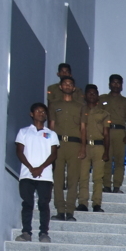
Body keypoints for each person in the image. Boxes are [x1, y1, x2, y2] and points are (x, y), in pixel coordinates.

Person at [15, 102, 58, 243]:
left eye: (44, 112)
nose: (41, 113)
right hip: (27, 174)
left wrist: (40, 168)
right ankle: (26, 232)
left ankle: (44, 233)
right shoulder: (24, 132)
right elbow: (19, 151)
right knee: (27, 203)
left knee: (44, 204)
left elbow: (54, 154)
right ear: (32, 114)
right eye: (38, 111)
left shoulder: (51, 134)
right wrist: (31, 168)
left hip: (45, 176)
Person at [48, 76, 83, 221]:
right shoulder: (54, 105)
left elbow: (83, 128)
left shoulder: (80, 106)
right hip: (58, 144)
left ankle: (70, 211)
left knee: (73, 179)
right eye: (65, 84)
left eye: (70, 84)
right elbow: (51, 126)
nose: (67, 86)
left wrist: (83, 147)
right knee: (58, 179)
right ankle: (60, 210)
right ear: (60, 87)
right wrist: (49, 146)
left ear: (74, 88)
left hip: (74, 144)